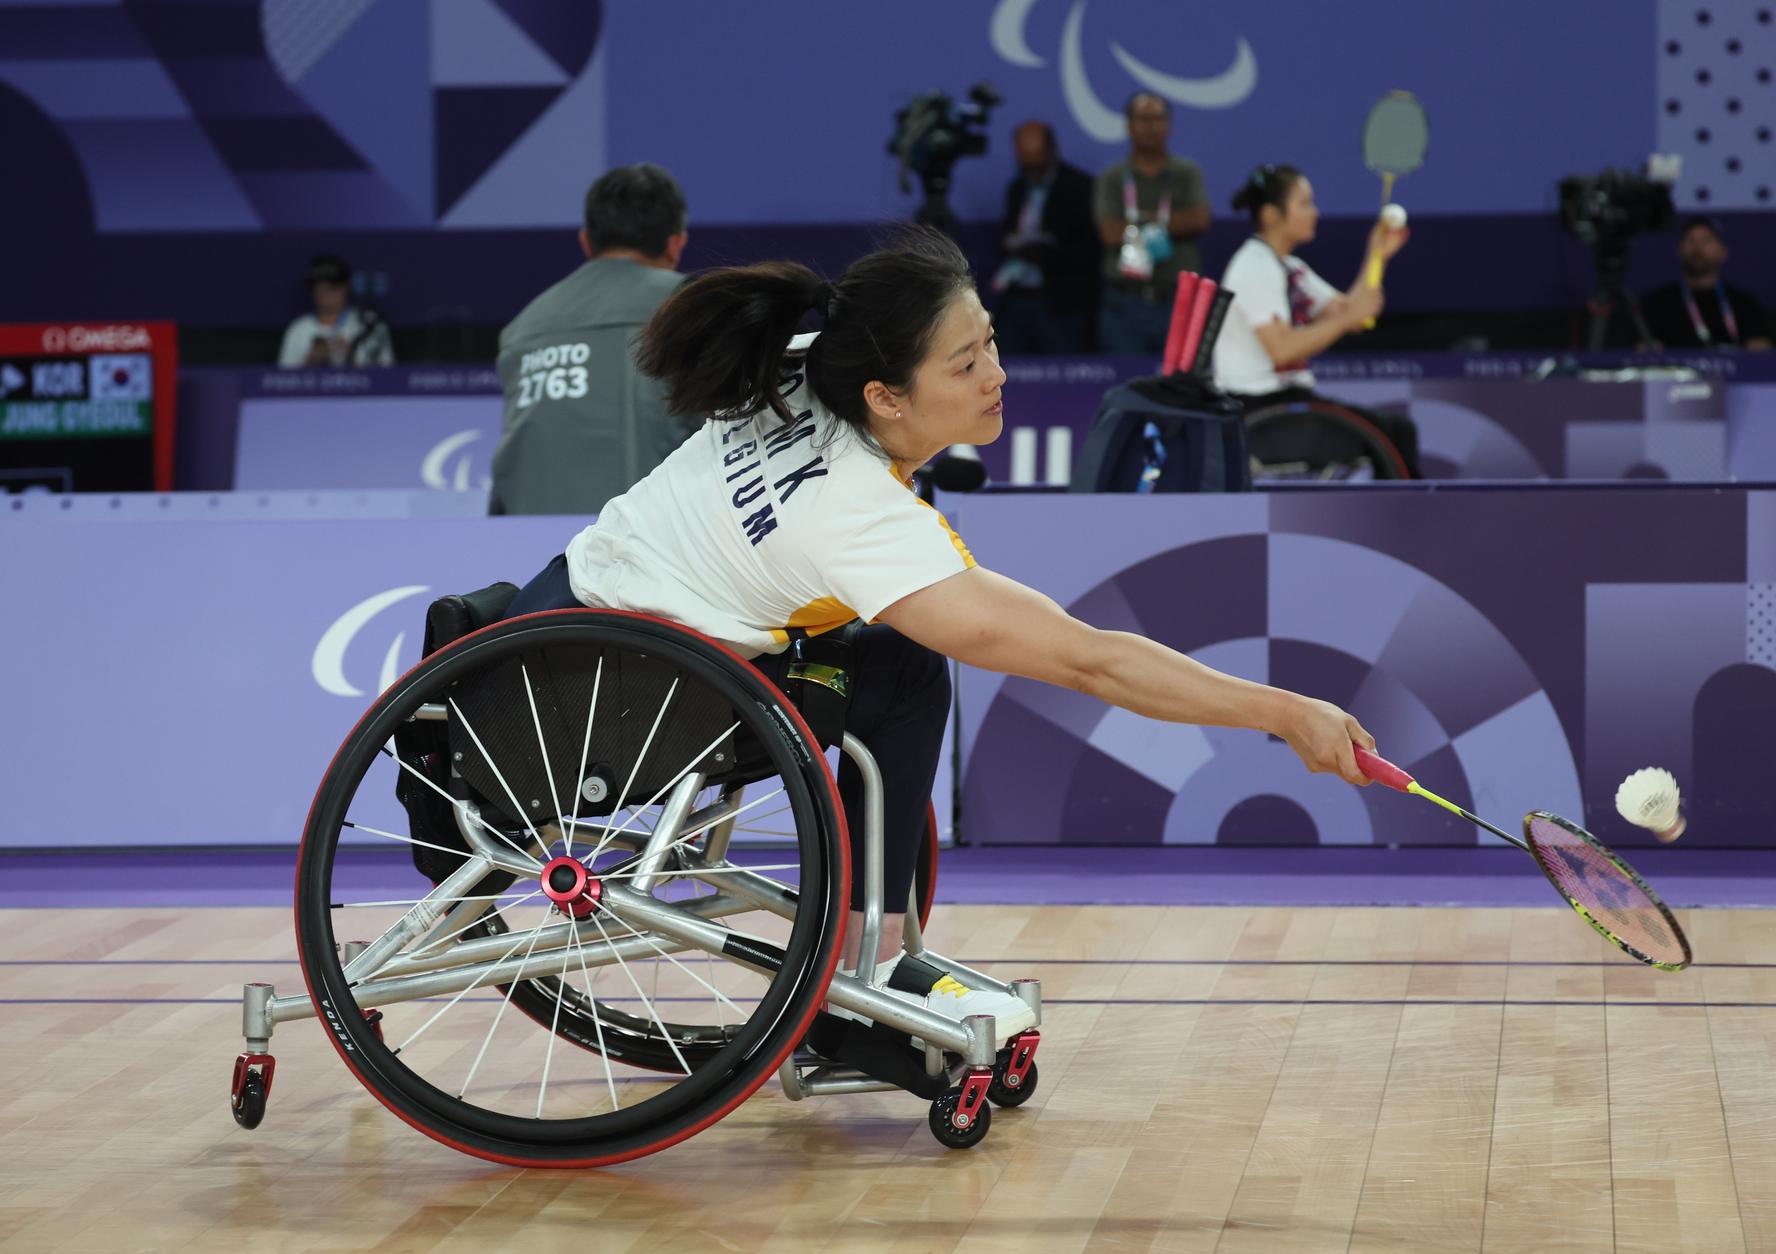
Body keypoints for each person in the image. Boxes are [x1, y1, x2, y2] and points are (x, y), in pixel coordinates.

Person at [503, 227, 1377, 1035]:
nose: (997, 374)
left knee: (890, 666)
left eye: (989, 342)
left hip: (549, 632)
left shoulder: (805, 367)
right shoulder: (859, 518)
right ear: (884, 396)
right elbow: (1091, 664)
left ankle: (867, 948)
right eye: (965, 365)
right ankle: (869, 968)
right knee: (905, 669)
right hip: (613, 710)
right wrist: (1285, 712)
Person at [486, 163, 699, 515]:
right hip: (650, 541)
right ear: (676, 244)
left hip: (530, 545)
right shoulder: (690, 305)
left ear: (585, 241)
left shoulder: (522, 327)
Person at [1212, 163, 1421, 478]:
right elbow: (1282, 350)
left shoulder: (1290, 267)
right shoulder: (1252, 266)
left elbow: (1352, 313)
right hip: (1258, 414)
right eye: (1305, 204)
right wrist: (1347, 318)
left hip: (1292, 404)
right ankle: (1405, 510)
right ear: (1271, 215)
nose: (1315, 213)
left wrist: (1378, 254)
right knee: (1392, 435)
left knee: (1396, 431)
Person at [1093, 93, 1210, 354]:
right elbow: (1109, 232)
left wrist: (1136, 223)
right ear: (1129, 125)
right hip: (1125, 303)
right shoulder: (1113, 177)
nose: (1151, 127)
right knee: (1126, 377)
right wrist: (1167, 222)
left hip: (1177, 302)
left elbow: (1199, 219)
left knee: (1180, 378)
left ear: (1168, 125)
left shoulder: (1186, 172)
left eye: (1158, 119)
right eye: (1144, 120)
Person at [991, 121, 1098, 354]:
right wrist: (1012, 244)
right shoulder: (1017, 188)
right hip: (1017, 297)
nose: (1032, 172)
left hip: (1061, 302)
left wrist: (1045, 254)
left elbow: (1090, 250)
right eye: (1025, 164)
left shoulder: (1080, 188)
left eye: (1037, 165)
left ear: (1052, 151)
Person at [1639, 217, 1772, 351]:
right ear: (1679, 250)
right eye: (1690, 241)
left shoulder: (1745, 305)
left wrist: (1760, 349)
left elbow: (1762, 345)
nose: (1697, 248)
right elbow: (1642, 347)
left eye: (1706, 241)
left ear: (1723, 251)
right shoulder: (1657, 304)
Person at [276, 253, 394, 368]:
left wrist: (351, 356)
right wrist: (310, 362)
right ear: (312, 291)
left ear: (346, 288)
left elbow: (389, 374)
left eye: (333, 287)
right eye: (321, 288)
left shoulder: (369, 325)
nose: (327, 294)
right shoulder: (298, 329)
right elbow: (280, 377)